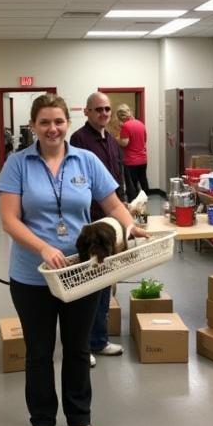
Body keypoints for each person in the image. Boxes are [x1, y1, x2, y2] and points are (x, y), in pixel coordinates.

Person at [0, 93, 148, 426]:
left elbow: (112, 204)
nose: (52, 128)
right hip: (34, 276)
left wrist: (132, 227)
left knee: (78, 349)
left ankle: (80, 418)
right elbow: (9, 219)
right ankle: (42, 422)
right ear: (34, 126)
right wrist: (43, 249)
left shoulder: (86, 159)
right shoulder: (18, 164)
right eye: (45, 122)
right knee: (39, 352)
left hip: (81, 273)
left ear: (68, 123)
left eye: (58, 121)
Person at [69, 92, 126, 362]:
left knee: (104, 284)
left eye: (107, 109)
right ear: (87, 112)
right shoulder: (80, 140)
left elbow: (116, 179)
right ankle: (84, 345)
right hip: (91, 225)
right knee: (88, 286)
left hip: (112, 223)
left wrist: (125, 209)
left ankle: (98, 341)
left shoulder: (112, 140)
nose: (104, 113)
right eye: (98, 109)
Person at [117, 105, 149, 200]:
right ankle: (145, 200)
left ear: (120, 116)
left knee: (132, 184)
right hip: (143, 159)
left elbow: (125, 143)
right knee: (143, 180)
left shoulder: (126, 126)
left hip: (131, 161)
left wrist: (116, 139)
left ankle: (133, 204)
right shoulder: (140, 123)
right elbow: (145, 139)